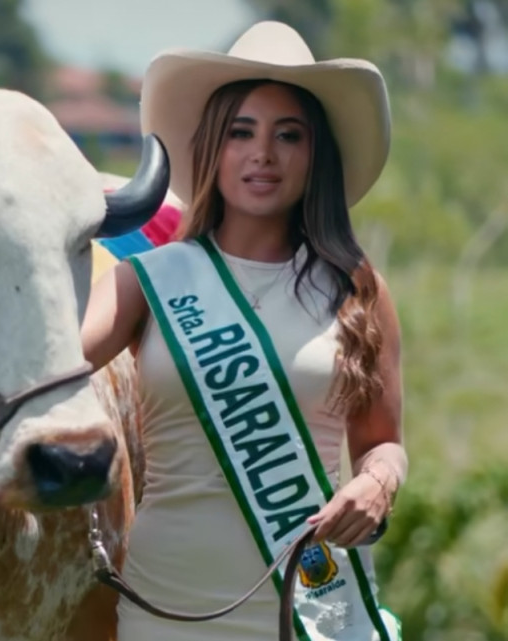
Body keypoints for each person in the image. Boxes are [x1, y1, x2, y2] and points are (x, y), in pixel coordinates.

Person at [81, 21, 407, 640]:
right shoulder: (144, 281)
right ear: (212, 149)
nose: (263, 153)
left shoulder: (358, 290)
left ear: (317, 156)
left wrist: (378, 482)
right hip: (167, 608)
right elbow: (47, 366)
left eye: (289, 135)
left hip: (316, 605)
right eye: (241, 133)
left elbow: (383, 443)